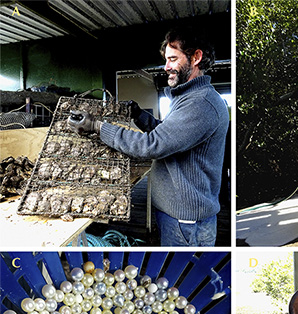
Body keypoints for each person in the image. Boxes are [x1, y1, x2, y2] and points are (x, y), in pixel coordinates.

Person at [68, 28, 229, 247]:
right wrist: (138, 115)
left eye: (173, 59)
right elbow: (169, 135)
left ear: (196, 57)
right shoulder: (189, 97)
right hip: (178, 216)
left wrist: (97, 126)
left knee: (176, 270)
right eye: (166, 60)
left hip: (186, 222)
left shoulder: (200, 103)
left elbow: (152, 145)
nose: (166, 67)